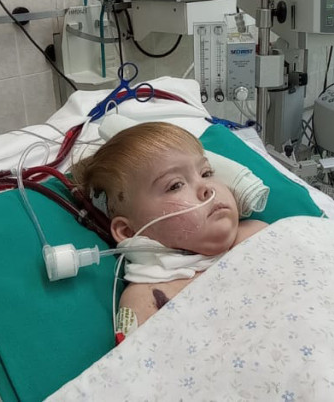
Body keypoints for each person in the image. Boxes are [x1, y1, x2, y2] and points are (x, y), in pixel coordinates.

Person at [72, 122, 266, 329]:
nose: (207, 188)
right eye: (175, 185)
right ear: (129, 232)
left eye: (206, 173)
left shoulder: (259, 234)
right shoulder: (144, 299)